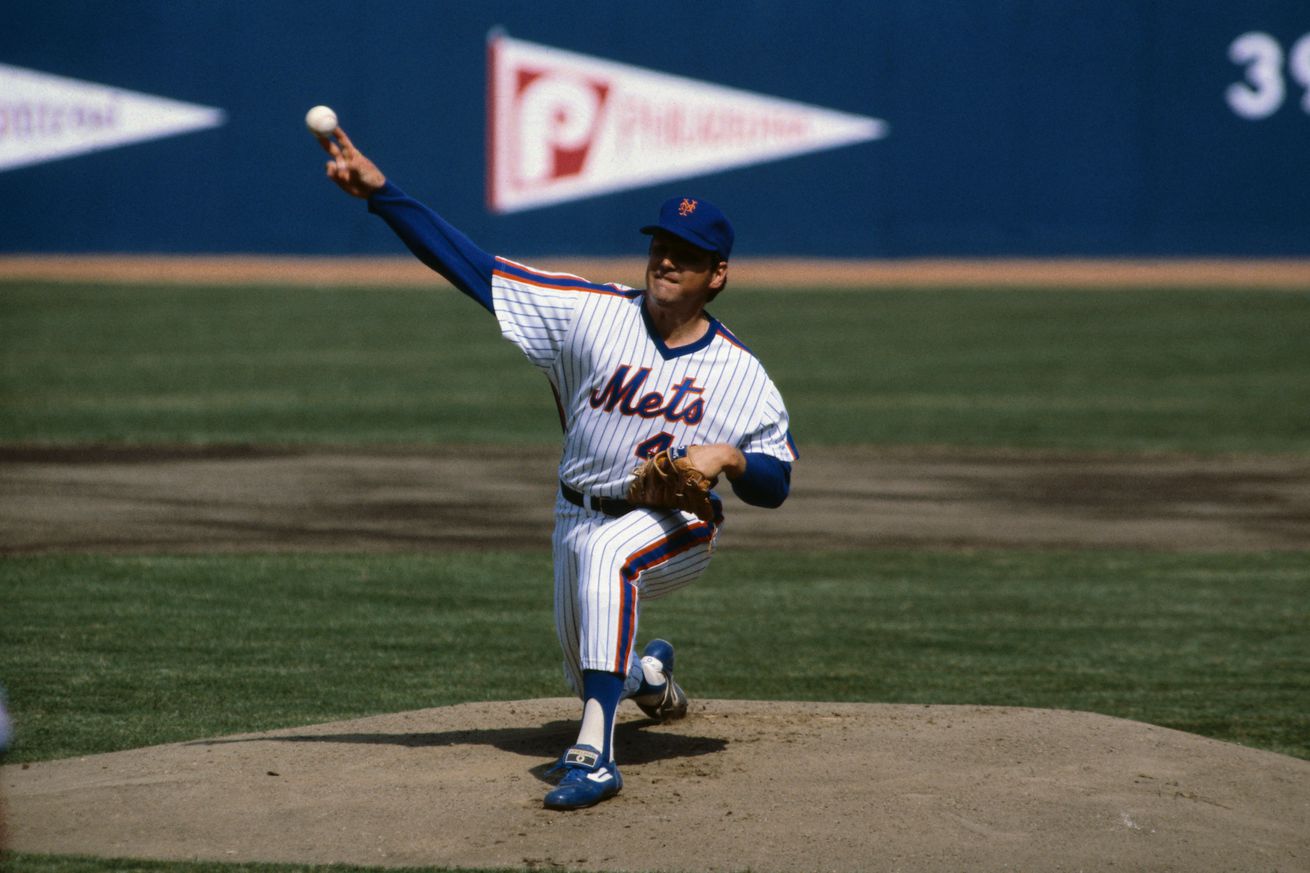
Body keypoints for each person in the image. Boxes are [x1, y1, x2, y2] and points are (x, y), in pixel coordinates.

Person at [317, 127, 797, 810]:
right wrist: (381, 194)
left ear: (717, 274)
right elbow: (472, 267)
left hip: (679, 526)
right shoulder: (586, 313)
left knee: (610, 558)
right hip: (575, 510)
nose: (667, 261)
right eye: (661, 246)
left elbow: (776, 484)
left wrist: (730, 456)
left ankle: (594, 755)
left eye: (688, 256)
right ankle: (649, 675)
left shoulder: (742, 373)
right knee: (590, 664)